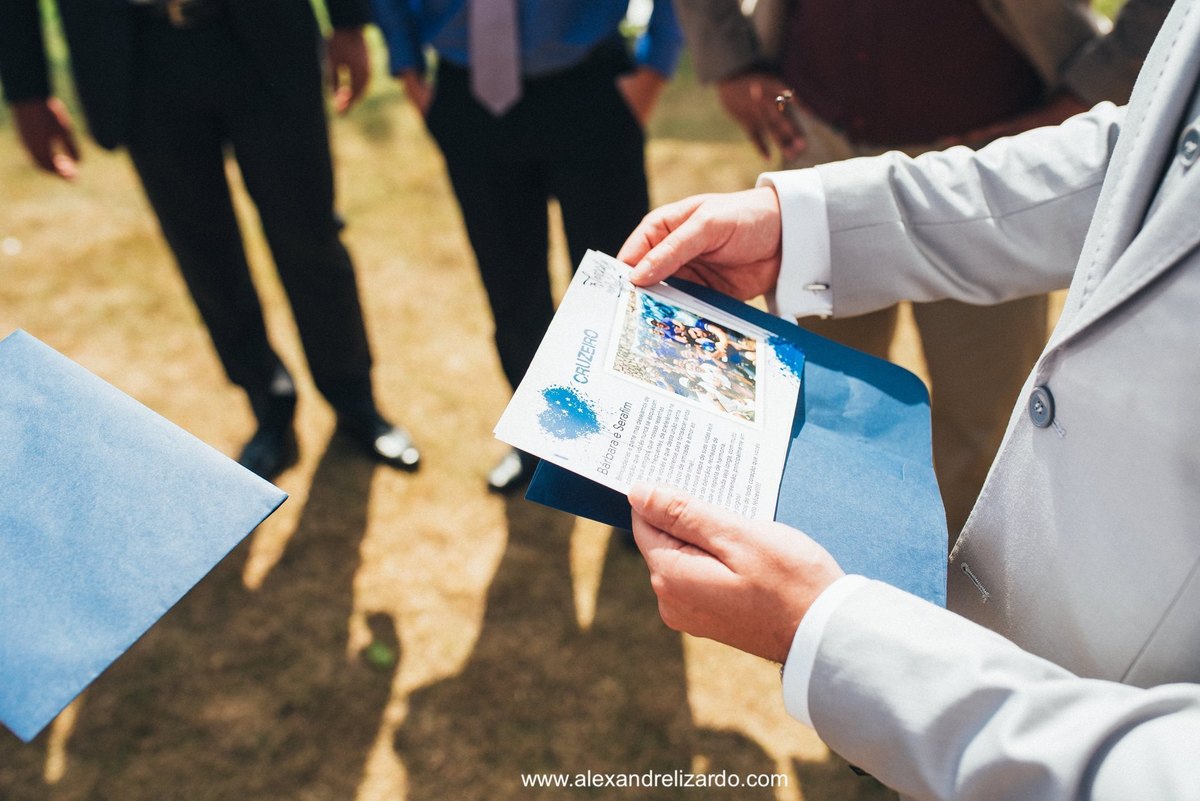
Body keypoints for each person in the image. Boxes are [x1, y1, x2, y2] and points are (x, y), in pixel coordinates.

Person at [614, 0, 1200, 795]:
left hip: (995, 107)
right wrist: (807, 224)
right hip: (842, 125)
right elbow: (1151, 152)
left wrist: (843, 646)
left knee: (977, 433)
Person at [672, 0, 1172, 536]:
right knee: (816, 412)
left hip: (1004, 153)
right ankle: (832, 564)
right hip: (816, 129)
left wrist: (1089, 92)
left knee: (985, 426)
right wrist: (730, 59)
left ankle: (956, 580)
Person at [0, 0, 420, 480]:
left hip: (262, 34)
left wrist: (347, 21)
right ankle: (268, 402)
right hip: (136, 53)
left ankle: (354, 399)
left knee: (309, 235)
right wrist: (27, 90)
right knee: (203, 252)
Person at [369, 0, 682, 492]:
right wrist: (409, 73)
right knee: (511, 290)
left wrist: (655, 68)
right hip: (468, 94)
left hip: (590, 87)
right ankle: (543, 443)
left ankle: (629, 465)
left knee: (623, 292)